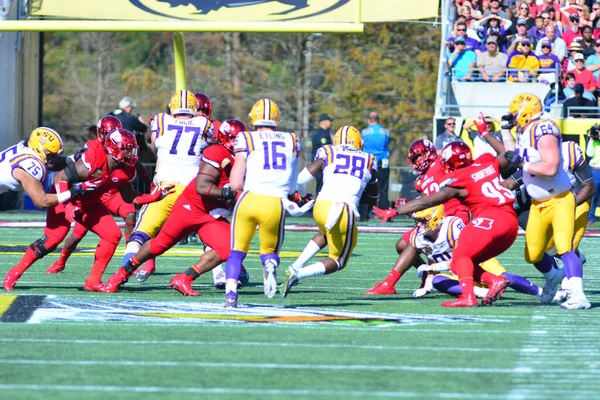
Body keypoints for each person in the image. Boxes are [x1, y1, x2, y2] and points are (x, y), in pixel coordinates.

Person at [3, 129, 172, 292]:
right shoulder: (93, 158)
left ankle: (93, 281)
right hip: (65, 198)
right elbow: (60, 177)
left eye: (131, 149)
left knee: (112, 234)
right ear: (113, 149)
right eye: (126, 150)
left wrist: (154, 197)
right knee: (52, 240)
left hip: (89, 203)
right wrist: (68, 203)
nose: (131, 154)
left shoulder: (126, 169)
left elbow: (129, 197)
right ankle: (13, 274)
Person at [102, 120, 249, 294]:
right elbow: (202, 186)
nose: (237, 144)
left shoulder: (242, 158)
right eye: (234, 139)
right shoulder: (217, 152)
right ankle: (121, 274)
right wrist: (230, 194)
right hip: (191, 206)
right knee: (159, 245)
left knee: (230, 248)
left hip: (211, 214)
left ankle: (184, 277)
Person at [373, 141, 519, 307]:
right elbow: (506, 156)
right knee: (453, 257)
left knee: (456, 255)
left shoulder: (455, 176)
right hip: (506, 219)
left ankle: (478, 289)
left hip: (463, 217)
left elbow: (429, 201)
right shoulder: (484, 161)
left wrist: (396, 211)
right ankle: (493, 280)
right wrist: (486, 134)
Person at [484, 93, 590, 309]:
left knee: (565, 248)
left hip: (560, 198)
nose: (513, 117)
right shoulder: (526, 132)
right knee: (532, 253)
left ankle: (579, 296)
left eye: (515, 113)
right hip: (538, 204)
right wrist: (504, 131)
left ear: (525, 112)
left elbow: (550, 168)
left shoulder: (544, 129)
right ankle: (553, 277)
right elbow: (514, 155)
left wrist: (522, 165)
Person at [117, 89, 211, 283]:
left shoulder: (161, 120)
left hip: (165, 188)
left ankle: (123, 273)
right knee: (210, 234)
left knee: (140, 234)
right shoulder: (204, 123)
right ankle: (221, 277)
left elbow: (155, 146)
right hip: (192, 190)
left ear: (172, 106)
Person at [281, 126, 379, 297]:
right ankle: (299, 274)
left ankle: (295, 266)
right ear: (359, 143)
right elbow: (374, 195)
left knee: (326, 233)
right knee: (339, 260)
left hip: (321, 206)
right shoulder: (369, 159)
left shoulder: (329, 151)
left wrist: (303, 196)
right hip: (343, 209)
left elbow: (301, 180)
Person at [364, 139, 470, 295]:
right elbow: (426, 203)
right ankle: (426, 273)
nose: (419, 160)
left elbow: (449, 152)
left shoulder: (441, 163)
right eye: (415, 159)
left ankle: (390, 283)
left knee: (420, 243)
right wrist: (408, 206)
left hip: (454, 215)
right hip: (437, 218)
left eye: (421, 156)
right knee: (402, 244)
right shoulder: (421, 180)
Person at [223, 98, 300, 307]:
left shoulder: (246, 138)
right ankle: (270, 266)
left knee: (237, 251)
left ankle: (231, 294)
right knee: (269, 251)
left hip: (249, 199)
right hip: (275, 202)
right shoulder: (292, 139)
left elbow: (236, 182)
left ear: (253, 118)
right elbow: (293, 185)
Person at [405, 205, 565, 303]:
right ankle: (485, 293)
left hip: (478, 263)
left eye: (422, 221)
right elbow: (434, 267)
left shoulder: (452, 226)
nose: (418, 225)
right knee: (438, 281)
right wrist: (426, 285)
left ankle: (550, 294)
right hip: (461, 275)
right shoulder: (420, 238)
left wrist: (431, 267)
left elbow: (459, 258)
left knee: (506, 277)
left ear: (434, 219)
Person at [44, 116, 140, 275]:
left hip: (113, 193)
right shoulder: (93, 149)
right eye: (107, 133)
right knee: (76, 235)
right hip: (94, 195)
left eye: (113, 133)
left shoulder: (121, 146)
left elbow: (135, 166)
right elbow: (69, 173)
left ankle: (129, 255)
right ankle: (61, 260)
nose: (110, 136)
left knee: (131, 215)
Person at [0, 127, 81, 210]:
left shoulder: (23, 148)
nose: (54, 158)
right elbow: (42, 202)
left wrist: (74, 158)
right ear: (41, 150)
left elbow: (52, 163)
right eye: (52, 155)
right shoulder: (30, 164)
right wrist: (72, 192)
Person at [361, 111, 390, 212]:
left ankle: (364, 213)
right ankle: (384, 212)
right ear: (378, 120)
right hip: (383, 163)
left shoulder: (364, 132)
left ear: (369, 120)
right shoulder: (386, 132)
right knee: (383, 190)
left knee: (366, 187)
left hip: (369, 163)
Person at [311, 113, 334, 196]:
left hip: (322, 165)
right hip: (320, 166)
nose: (331, 123)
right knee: (321, 187)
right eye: (329, 121)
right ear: (323, 122)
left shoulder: (325, 133)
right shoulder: (321, 135)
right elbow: (325, 150)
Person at [587, 124, 600, 226]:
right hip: (595, 170)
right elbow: (589, 154)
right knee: (594, 195)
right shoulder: (594, 142)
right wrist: (591, 139)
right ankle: (591, 218)